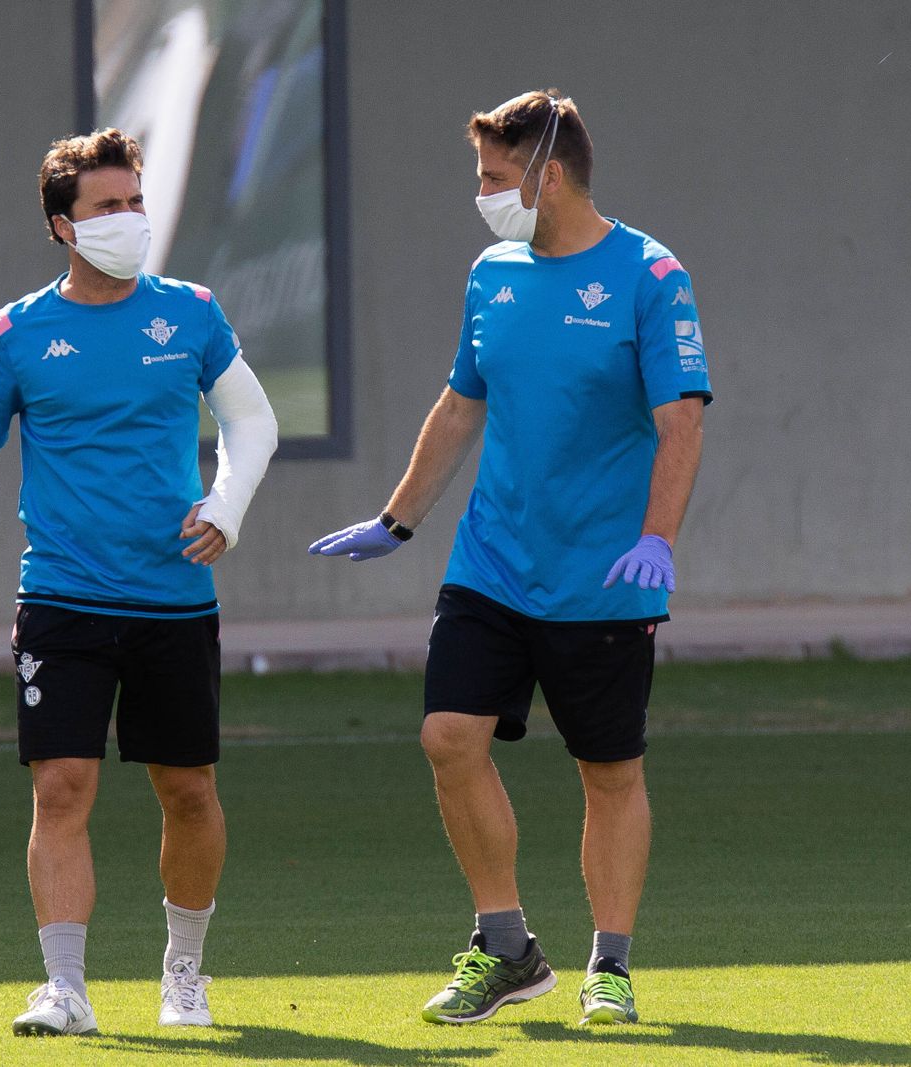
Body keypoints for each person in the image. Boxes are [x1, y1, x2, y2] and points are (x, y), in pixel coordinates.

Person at [309, 89, 711, 1027]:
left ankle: (608, 964)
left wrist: (657, 538)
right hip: (490, 563)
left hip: (602, 577)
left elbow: (680, 420)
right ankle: (506, 945)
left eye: (494, 177)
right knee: (449, 736)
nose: (482, 194)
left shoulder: (652, 275)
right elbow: (460, 407)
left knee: (608, 771)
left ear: (550, 174)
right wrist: (397, 521)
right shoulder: (492, 273)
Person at [0, 128, 278, 1036]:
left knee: (189, 791)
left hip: (174, 596)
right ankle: (66, 988)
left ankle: (185, 975)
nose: (129, 219)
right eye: (106, 206)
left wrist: (228, 504)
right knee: (61, 788)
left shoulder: (192, 311)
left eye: (135, 201)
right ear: (62, 225)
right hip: (62, 596)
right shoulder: (17, 331)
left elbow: (252, 419)